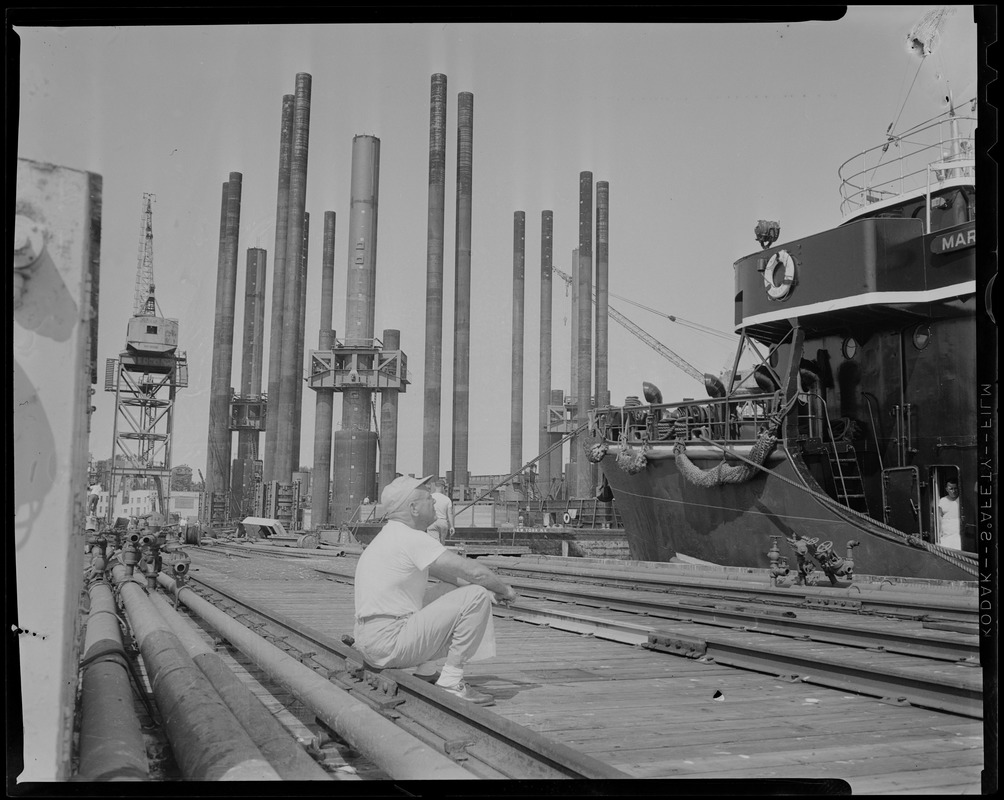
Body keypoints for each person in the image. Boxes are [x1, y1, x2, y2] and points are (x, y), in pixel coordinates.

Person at [352, 475, 518, 706]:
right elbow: (474, 572)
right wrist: (504, 590)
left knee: (452, 589)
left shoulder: (391, 535)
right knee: (476, 595)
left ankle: (426, 671)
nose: (434, 502)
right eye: (429, 498)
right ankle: (451, 682)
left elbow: (448, 576)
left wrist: (489, 591)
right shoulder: (412, 538)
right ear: (413, 508)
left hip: (370, 640)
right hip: (389, 643)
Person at [937, 480, 962, 550]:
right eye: (951, 489)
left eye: (955, 488)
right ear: (947, 489)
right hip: (946, 535)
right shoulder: (942, 500)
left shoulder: (961, 500)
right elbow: (940, 517)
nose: (953, 491)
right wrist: (939, 532)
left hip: (958, 534)